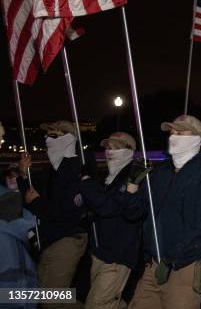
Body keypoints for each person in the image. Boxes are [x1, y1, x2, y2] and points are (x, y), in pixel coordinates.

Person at [120, 115, 201, 309]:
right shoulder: (160, 172)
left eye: (180, 132)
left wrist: (173, 259)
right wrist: (132, 185)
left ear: (196, 137)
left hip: (185, 268)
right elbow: (133, 213)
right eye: (171, 132)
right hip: (154, 264)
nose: (173, 136)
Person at [17, 120, 92, 304]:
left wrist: (35, 202)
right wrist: (24, 176)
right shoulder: (53, 168)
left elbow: (64, 212)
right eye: (46, 135)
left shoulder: (76, 168)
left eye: (53, 135)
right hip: (52, 238)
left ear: (68, 138)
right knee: (46, 295)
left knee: (53, 299)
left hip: (67, 238)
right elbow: (34, 195)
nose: (47, 139)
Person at [79, 132, 141, 309]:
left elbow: (108, 207)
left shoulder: (133, 177)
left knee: (98, 304)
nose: (109, 152)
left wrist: (86, 181)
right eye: (107, 147)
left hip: (118, 254)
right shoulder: (110, 176)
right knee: (109, 301)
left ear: (129, 151)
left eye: (116, 147)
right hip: (102, 251)